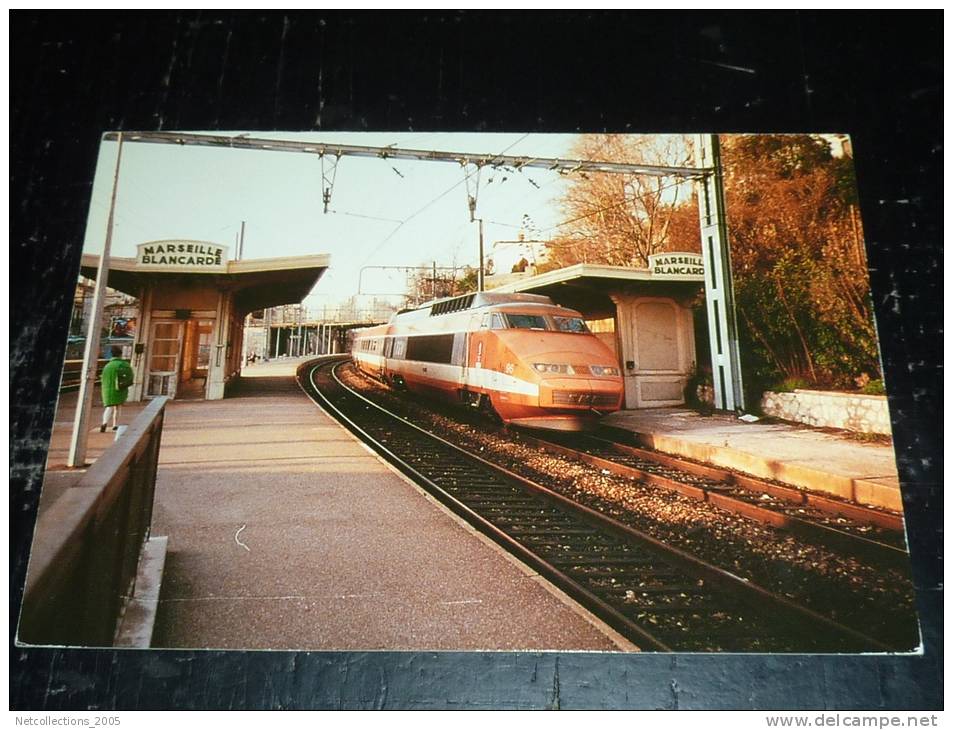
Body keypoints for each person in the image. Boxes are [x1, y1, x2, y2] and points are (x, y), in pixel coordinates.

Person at [100, 345, 134, 432]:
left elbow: (102, 378)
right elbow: (130, 377)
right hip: (120, 388)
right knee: (118, 407)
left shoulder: (107, 366)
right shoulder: (124, 364)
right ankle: (115, 425)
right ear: (120, 354)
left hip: (107, 389)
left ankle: (104, 423)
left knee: (109, 407)